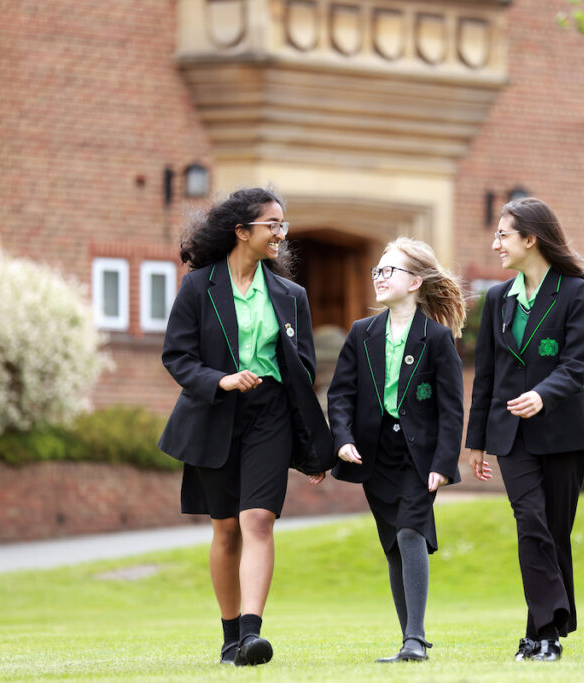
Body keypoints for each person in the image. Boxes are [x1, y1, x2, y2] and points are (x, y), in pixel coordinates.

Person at [158, 186, 333, 667]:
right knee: (227, 529)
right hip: (215, 412)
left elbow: (303, 373)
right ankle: (230, 634)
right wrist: (221, 380)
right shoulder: (198, 287)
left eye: (283, 225)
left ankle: (253, 635)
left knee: (259, 519)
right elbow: (177, 356)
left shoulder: (291, 295)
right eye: (271, 225)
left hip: (270, 414)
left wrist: (315, 447)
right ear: (242, 231)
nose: (280, 233)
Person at [465, 197, 584, 662]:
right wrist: (477, 441)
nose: (495, 242)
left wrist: (544, 394)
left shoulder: (576, 292)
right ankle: (550, 624)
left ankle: (540, 633)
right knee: (530, 522)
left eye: (503, 234)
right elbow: (486, 375)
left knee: (554, 530)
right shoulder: (498, 299)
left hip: (563, 431)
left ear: (530, 239)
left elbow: (579, 362)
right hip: (511, 437)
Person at [326, 237, 465, 663]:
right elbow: (340, 395)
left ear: (415, 282)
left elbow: (452, 408)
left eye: (390, 271)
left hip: (419, 458)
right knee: (393, 543)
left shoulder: (436, 338)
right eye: (377, 271)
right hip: (375, 455)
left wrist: (444, 463)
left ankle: (416, 639)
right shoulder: (360, 333)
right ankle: (409, 638)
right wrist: (343, 437)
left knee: (410, 531)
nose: (380, 277)